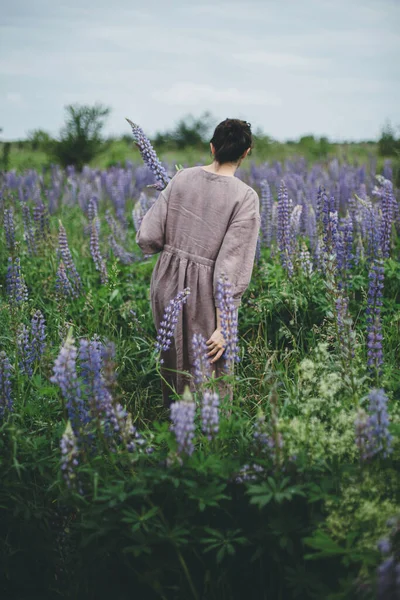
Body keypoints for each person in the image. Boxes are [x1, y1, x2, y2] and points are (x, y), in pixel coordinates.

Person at [136, 118, 260, 405]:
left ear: (212, 147)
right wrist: (224, 325)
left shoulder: (181, 178)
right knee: (210, 374)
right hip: (204, 293)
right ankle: (206, 441)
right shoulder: (245, 197)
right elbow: (230, 266)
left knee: (173, 364)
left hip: (165, 284)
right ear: (246, 153)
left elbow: (148, 237)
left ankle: (174, 429)